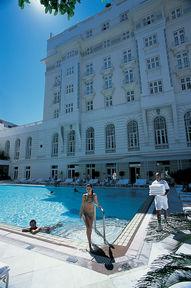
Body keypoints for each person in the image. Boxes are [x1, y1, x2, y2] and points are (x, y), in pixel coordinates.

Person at [80, 184, 102, 252]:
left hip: (91, 214)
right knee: (88, 228)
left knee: (90, 228)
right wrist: (81, 213)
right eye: (87, 189)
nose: (88, 190)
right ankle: (89, 244)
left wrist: (99, 206)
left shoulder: (94, 195)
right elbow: (82, 205)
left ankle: (90, 239)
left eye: (89, 188)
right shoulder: (84, 196)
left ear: (92, 188)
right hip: (85, 214)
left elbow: (96, 203)